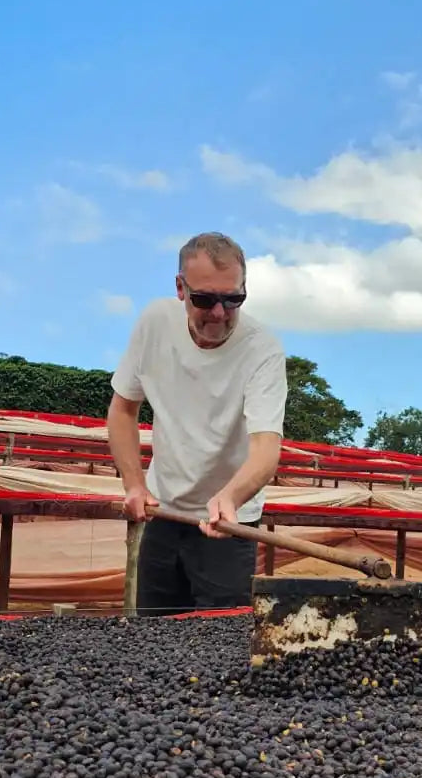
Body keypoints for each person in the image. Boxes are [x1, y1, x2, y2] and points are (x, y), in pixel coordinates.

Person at [107, 232, 287, 615]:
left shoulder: (262, 350)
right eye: (204, 299)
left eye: (233, 299)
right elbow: (122, 409)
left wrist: (230, 497)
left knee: (220, 648)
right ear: (179, 288)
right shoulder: (155, 323)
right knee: (153, 641)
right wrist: (134, 485)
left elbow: (266, 449)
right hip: (164, 514)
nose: (219, 313)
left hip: (227, 526)